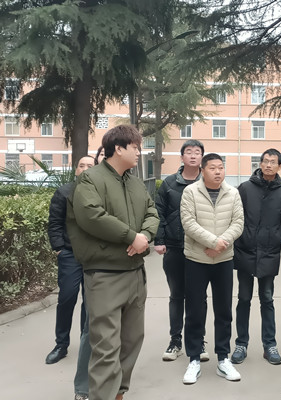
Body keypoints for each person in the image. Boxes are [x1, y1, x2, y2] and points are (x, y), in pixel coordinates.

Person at [66, 125, 159, 400]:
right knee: (105, 346)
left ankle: (119, 392)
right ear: (118, 148)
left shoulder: (135, 182)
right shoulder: (91, 179)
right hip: (105, 275)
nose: (139, 152)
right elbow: (91, 215)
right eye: (136, 147)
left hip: (135, 273)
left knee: (131, 341)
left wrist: (145, 236)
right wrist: (131, 236)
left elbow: (152, 212)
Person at [180, 153, 244, 384]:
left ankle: (223, 358)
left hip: (224, 260)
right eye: (213, 168)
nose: (218, 172)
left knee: (224, 311)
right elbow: (188, 223)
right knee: (195, 311)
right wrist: (212, 242)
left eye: (221, 167)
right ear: (203, 170)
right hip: (197, 259)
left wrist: (220, 245)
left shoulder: (233, 193)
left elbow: (238, 222)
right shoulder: (190, 192)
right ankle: (194, 359)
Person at [231, 148, 281, 366]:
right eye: (265, 161)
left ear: (279, 166)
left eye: (273, 162)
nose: (268, 165)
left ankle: (270, 345)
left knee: (267, 298)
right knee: (244, 298)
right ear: (260, 164)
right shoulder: (245, 188)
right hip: (245, 250)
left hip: (269, 252)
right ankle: (241, 344)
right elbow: (235, 215)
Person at [154, 140, 209, 362]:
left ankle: (198, 341)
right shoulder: (169, 183)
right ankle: (175, 341)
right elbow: (158, 212)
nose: (193, 156)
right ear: (182, 157)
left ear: (202, 157)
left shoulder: (208, 182)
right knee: (176, 295)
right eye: (189, 152)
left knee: (199, 297)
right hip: (175, 247)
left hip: (200, 249)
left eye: (197, 152)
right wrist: (159, 240)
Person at [45, 155, 95, 365]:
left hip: (94, 256)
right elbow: (54, 223)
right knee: (67, 298)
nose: (85, 169)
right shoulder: (64, 192)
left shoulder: (100, 192)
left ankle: (87, 344)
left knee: (90, 302)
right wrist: (59, 248)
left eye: (90, 166)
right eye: (81, 165)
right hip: (69, 254)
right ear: (76, 170)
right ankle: (61, 345)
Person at [72, 147, 105, 400]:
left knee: (118, 331)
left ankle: (112, 382)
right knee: (91, 327)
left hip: (124, 267)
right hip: (96, 266)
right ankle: (83, 387)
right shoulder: (81, 190)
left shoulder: (126, 187)